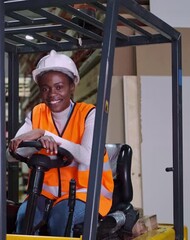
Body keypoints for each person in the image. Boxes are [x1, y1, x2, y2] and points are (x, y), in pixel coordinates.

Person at [8, 50, 114, 237]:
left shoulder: (90, 114)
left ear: (72, 86)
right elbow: (10, 154)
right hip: (46, 195)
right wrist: (30, 142)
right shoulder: (37, 113)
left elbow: (88, 156)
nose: (51, 94)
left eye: (59, 87)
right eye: (45, 88)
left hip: (86, 194)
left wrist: (44, 134)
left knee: (60, 220)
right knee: (25, 218)